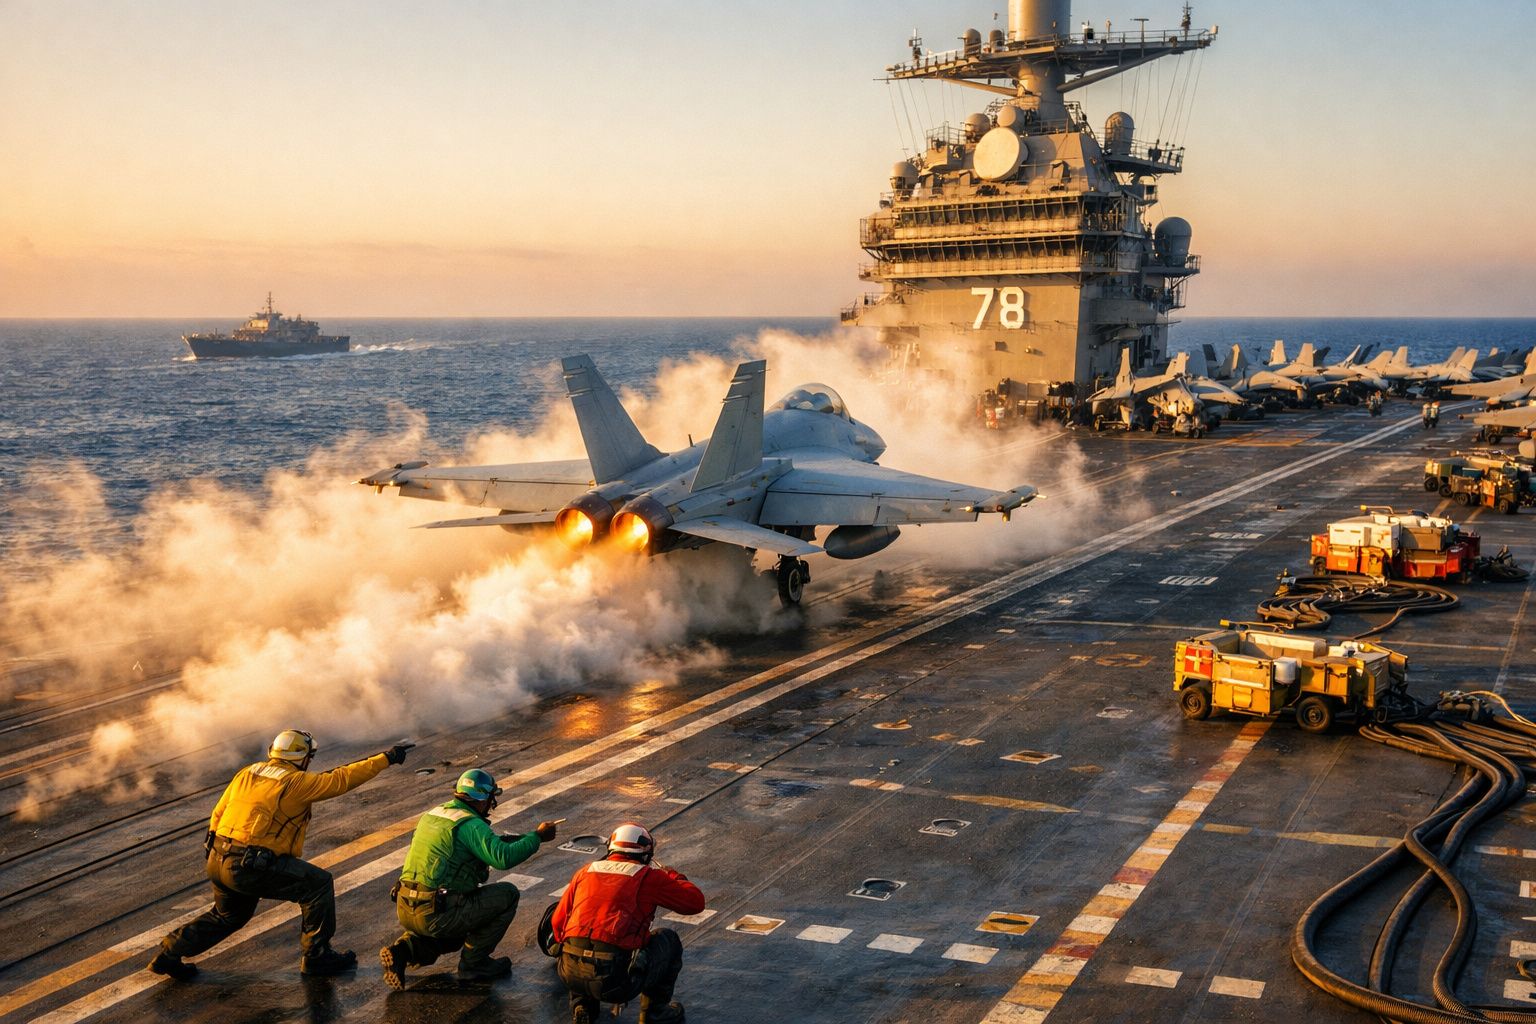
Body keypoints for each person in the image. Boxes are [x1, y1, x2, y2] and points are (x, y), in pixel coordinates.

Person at [149, 730, 413, 979]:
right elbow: (340, 779)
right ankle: (317, 956)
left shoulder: (248, 772)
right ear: (302, 758)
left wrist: (215, 845)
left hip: (218, 857)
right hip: (250, 866)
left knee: (227, 916)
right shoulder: (296, 782)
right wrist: (386, 758)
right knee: (318, 885)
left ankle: (168, 954)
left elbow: (218, 811)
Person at [380, 769, 558, 987]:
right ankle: (475, 964)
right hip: (438, 914)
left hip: (406, 907)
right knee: (508, 894)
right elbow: (502, 858)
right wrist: (537, 837)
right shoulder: (471, 824)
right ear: (483, 799)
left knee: (453, 934)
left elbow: (470, 847)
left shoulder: (433, 814)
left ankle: (402, 951)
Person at [545, 822, 706, 1024]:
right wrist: (675, 876)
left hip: (568, 974)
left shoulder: (585, 871)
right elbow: (695, 903)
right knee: (668, 939)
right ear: (646, 854)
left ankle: (582, 1005)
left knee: (579, 940)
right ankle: (654, 1013)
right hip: (617, 982)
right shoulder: (649, 876)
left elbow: (558, 923)